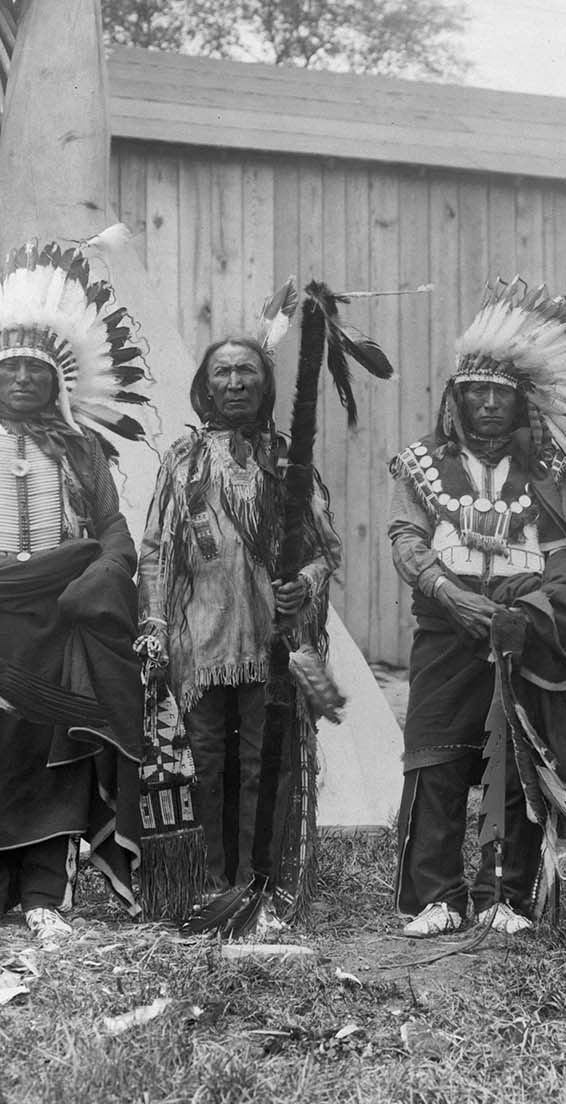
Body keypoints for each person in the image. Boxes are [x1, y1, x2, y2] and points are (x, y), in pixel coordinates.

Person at [0, 240, 149, 944]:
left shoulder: (82, 451)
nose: (21, 379)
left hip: (58, 625)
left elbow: (114, 535)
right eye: (8, 367)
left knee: (54, 759)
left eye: (34, 369)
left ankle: (47, 894)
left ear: (56, 380)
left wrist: (93, 587)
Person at [389, 280, 566, 938]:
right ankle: (435, 893)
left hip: (521, 635)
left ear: (518, 401)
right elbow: (405, 538)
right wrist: (449, 594)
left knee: (517, 760)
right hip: (444, 628)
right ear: (455, 398)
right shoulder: (423, 464)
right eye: (475, 392)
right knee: (434, 754)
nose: (488, 403)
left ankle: (506, 893)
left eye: (501, 393)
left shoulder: (547, 469)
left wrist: (536, 610)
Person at [137, 334, 341, 917]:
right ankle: (204, 883)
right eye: (222, 373)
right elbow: (155, 552)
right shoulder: (183, 459)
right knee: (200, 759)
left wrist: (304, 582)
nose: (235, 383)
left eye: (247, 372)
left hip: (272, 642)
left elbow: (327, 552)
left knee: (264, 763)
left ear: (265, 384)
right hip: (199, 641)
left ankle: (261, 887)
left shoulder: (288, 460)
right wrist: (154, 622)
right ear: (205, 386)